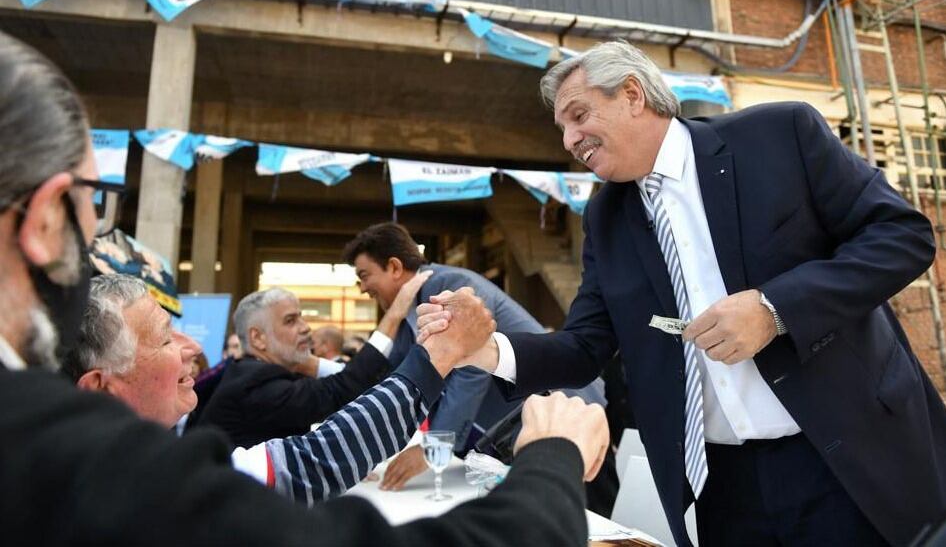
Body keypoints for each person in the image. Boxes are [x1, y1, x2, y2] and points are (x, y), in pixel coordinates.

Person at [0, 29, 609, 547]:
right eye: (94, 199)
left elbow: (311, 459)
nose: (191, 349)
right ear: (47, 219)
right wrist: (550, 458)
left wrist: (434, 363)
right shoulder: (76, 462)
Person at [418, 40, 946, 546]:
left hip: (840, 458)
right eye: (562, 128)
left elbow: (902, 235)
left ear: (632, 94)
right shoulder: (605, 217)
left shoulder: (779, 134)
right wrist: (482, 347)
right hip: (721, 490)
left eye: (578, 116)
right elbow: (583, 347)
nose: (569, 140)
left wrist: (774, 308)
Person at [65, 273, 457, 502]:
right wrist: (434, 353)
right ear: (101, 388)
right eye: (165, 338)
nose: (194, 347)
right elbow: (316, 455)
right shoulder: (143, 486)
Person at [342, 222, 612, 504]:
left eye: (364, 275)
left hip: (565, 408)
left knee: (591, 513)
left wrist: (433, 446)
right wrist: (365, 444)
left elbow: (470, 370)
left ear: (394, 267)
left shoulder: (446, 287)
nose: (362, 288)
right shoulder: (410, 312)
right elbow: (399, 377)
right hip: (522, 424)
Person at [191, 278, 428, 447]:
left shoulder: (247, 372)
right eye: (290, 321)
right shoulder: (256, 385)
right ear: (258, 338)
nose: (305, 328)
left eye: (301, 318)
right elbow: (341, 389)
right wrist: (394, 314)